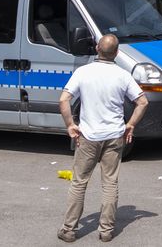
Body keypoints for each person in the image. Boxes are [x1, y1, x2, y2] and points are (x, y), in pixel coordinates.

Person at [57, 35, 149, 243]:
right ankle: (106, 230)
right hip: (114, 135)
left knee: (79, 182)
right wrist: (130, 125)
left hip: (89, 136)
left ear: (97, 48)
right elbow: (142, 102)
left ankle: (69, 229)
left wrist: (71, 125)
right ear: (116, 53)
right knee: (110, 182)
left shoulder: (83, 72)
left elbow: (64, 99)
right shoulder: (123, 75)